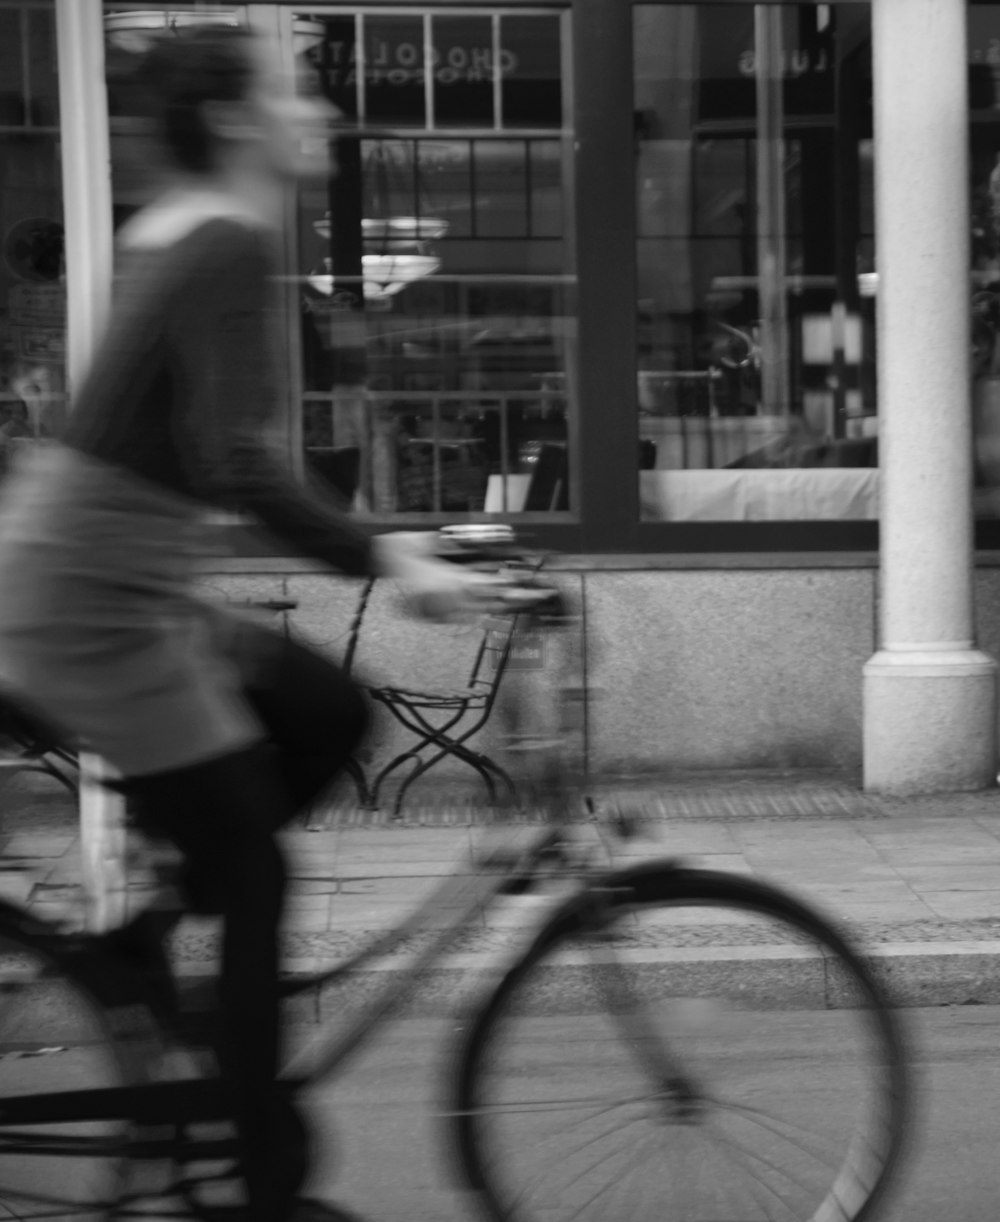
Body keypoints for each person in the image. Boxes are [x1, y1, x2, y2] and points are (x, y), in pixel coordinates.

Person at [0, 24, 479, 1222]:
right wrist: (387, 556)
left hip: (106, 587)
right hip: (92, 611)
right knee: (257, 870)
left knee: (324, 708)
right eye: (293, 91)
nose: (317, 111)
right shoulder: (220, 240)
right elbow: (236, 462)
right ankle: (264, 1183)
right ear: (232, 125)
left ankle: (140, 939)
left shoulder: (183, 231)